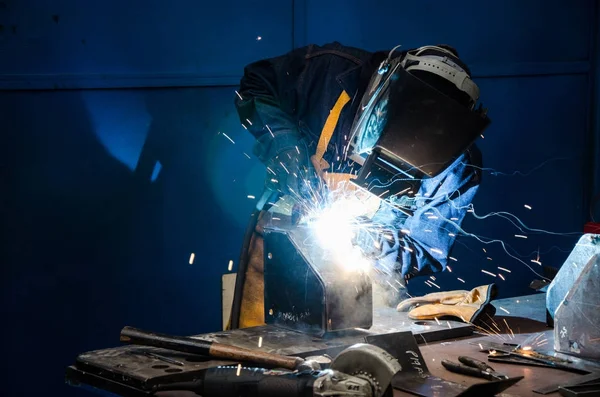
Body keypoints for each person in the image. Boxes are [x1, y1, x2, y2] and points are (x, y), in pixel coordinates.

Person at [230, 42, 488, 328]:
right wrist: (286, 149)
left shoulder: (456, 158)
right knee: (261, 351)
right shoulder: (330, 71)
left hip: (367, 277)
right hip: (278, 246)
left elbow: (425, 248)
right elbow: (255, 85)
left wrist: (367, 242)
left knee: (359, 360)